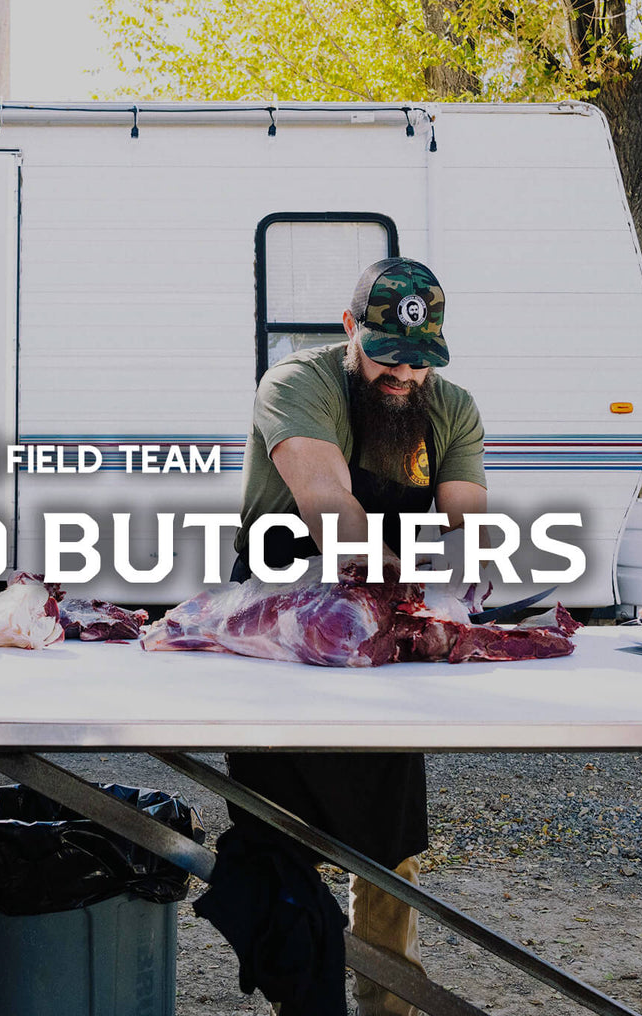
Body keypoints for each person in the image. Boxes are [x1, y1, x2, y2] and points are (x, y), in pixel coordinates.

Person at [228, 257, 487, 1016]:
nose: (403, 374)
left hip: (385, 641)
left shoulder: (453, 408)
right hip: (281, 629)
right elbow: (326, 499)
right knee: (280, 840)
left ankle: (388, 1005)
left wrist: (466, 574)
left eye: (420, 359)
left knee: (389, 841)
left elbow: (467, 510)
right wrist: (386, 565)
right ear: (350, 330)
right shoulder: (298, 384)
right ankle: (302, 1006)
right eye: (387, 354)